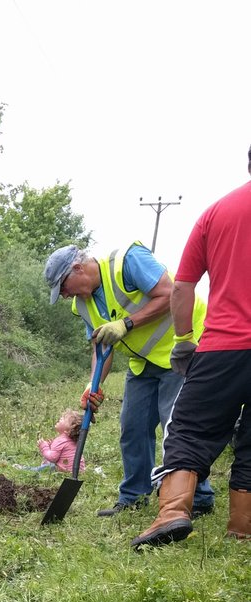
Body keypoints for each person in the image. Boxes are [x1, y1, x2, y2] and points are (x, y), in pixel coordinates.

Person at [132, 147, 251, 549]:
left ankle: (173, 512)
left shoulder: (216, 213)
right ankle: (242, 528)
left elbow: (182, 286)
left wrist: (184, 341)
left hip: (223, 348)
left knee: (189, 429)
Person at [44, 242, 215, 518]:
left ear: (77, 268)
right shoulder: (82, 304)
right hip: (143, 362)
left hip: (184, 348)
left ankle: (199, 497)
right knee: (132, 426)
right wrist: (93, 384)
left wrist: (126, 324)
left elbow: (170, 293)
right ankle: (134, 496)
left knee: (177, 427)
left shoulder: (128, 262)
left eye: (63, 287)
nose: (64, 295)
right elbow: (101, 347)